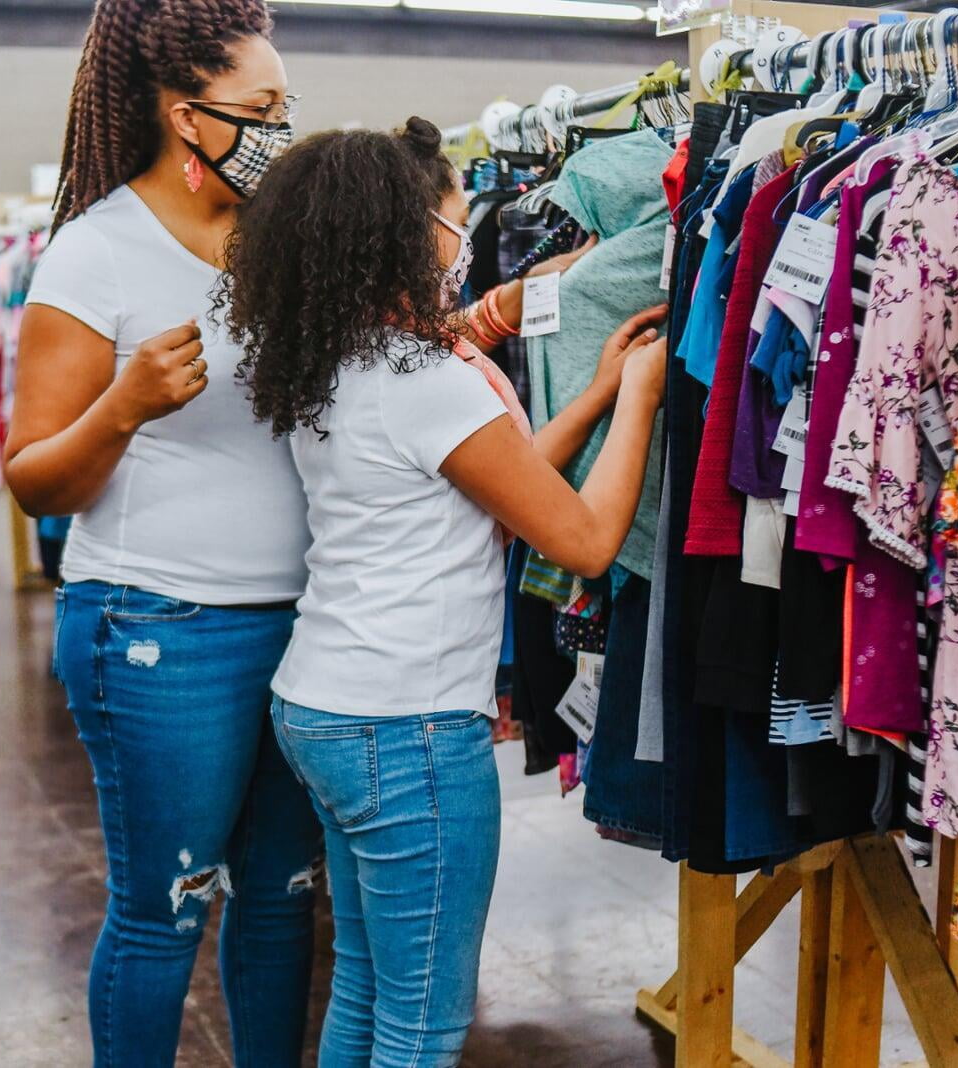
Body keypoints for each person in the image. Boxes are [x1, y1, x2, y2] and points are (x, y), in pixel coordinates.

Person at [217, 116, 667, 1068]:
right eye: (455, 222)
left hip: (326, 706)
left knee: (366, 990)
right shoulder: (430, 379)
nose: (463, 243)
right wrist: (640, 400)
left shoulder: (334, 362)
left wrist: (589, 392)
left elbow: (486, 488)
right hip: (408, 731)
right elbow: (584, 540)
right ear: (411, 233)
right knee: (422, 1030)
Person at [4, 1, 322, 1064]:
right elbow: (34, 479)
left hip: (309, 627)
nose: (285, 125)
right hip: (159, 628)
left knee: (281, 905)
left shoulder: (289, 243)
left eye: (290, 104)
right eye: (263, 107)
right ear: (191, 118)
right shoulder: (97, 256)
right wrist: (122, 406)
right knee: (165, 913)